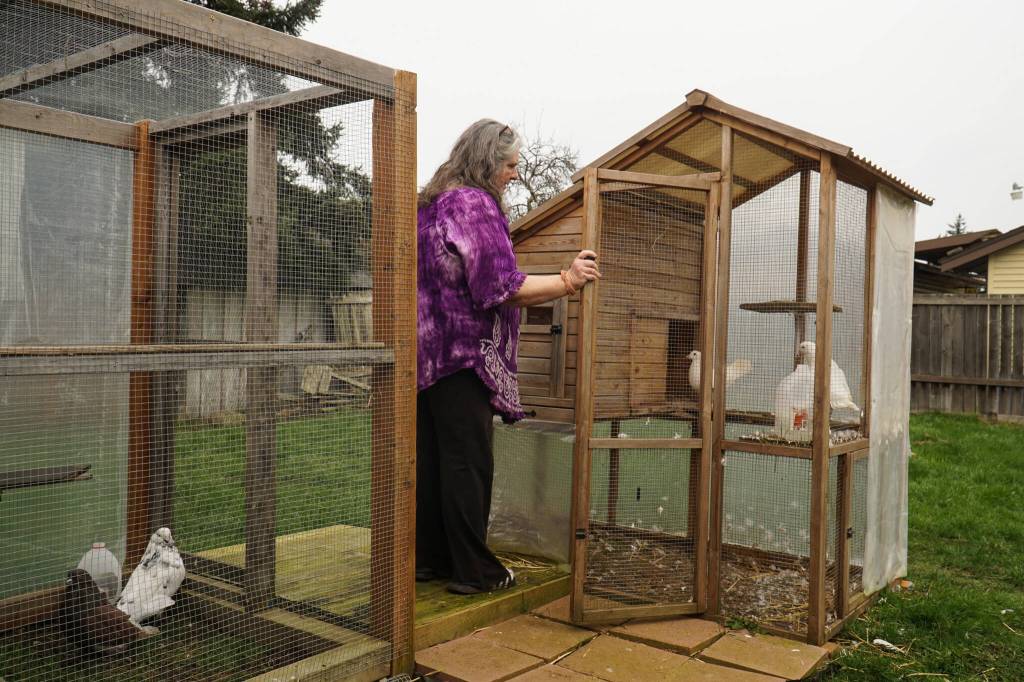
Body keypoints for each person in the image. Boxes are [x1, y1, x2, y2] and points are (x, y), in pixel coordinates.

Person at [416, 119, 600, 594]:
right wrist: (568, 280)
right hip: (463, 355)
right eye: (511, 166)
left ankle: (430, 560)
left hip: (426, 354)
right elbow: (498, 286)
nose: (515, 175)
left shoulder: (430, 204)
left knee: (433, 460)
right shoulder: (473, 204)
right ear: (486, 163)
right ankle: (476, 572)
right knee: (468, 463)